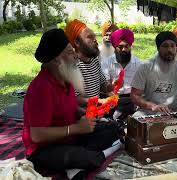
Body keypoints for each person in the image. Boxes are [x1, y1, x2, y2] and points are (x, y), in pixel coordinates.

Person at [23, 29, 119, 180]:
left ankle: (74, 163)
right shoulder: (41, 88)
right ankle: (81, 162)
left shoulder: (65, 79)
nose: (75, 55)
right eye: (69, 52)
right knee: (89, 158)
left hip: (70, 138)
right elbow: (36, 135)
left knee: (112, 128)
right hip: (43, 150)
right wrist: (75, 128)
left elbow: (69, 107)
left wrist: (87, 115)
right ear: (56, 59)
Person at [65, 19, 112, 107]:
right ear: (77, 43)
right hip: (82, 117)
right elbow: (75, 98)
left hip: (97, 112)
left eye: (94, 36)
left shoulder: (94, 59)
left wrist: (111, 87)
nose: (95, 40)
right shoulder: (72, 65)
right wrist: (99, 101)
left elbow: (102, 84)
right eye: (89, 37)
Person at [101, 29, 142, 120]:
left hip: (133, 100)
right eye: (120, 47)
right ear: (115, 47)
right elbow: (106, 88)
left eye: (126, 46)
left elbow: (142, 88)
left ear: (130, 46)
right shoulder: (106, 63)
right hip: (113, 99)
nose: (123, 49)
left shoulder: (139, 64)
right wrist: (112, 87)